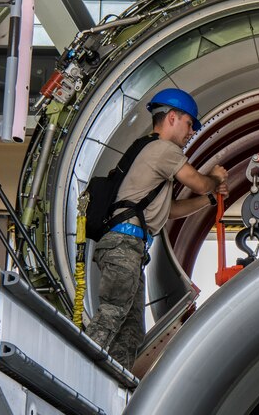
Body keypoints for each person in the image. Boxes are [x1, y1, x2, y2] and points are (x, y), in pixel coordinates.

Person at [87, 88, 228, 370]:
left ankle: (114, 381)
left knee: (130, 332)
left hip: (130, 248)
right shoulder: (164, 150)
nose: (192, 132)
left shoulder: (149, 152)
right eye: (190, 124)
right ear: (172, 117)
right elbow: (198, 182)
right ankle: (78, 367)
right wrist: (214, 178)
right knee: (112, 315)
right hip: (124, 245)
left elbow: (169, 210)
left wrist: (210, 200)